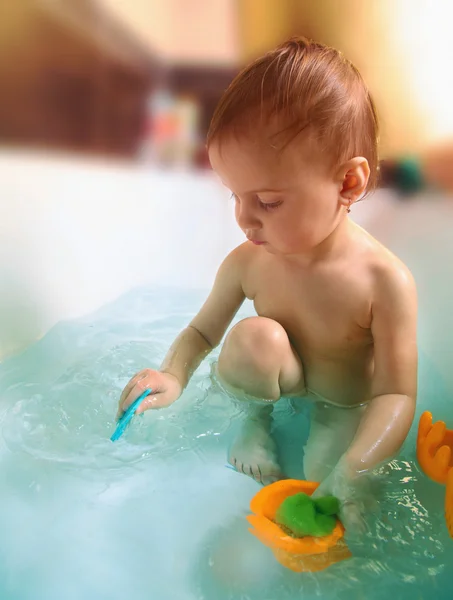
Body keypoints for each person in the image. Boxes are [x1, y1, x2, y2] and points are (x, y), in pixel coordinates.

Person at [117, 38, 418, 530]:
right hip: (281, 381)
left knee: (328, 486)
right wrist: (172, 376)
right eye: (235, 195)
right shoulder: (249, 263)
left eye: (269, 201)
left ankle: (333, 454)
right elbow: (201, 334)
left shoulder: (384, 282)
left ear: (347, 185)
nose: (244, 219)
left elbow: (396, 394)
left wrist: (357, 468)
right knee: (254, 337)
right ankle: (255, 423)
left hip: (345, 403)